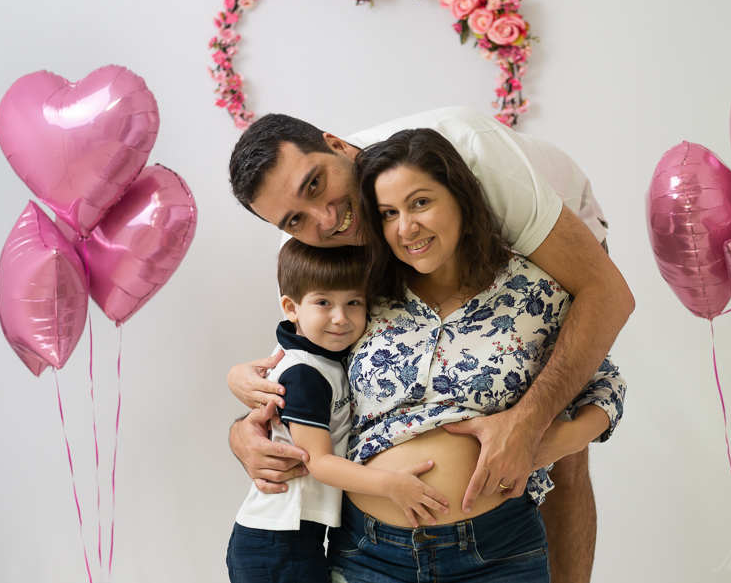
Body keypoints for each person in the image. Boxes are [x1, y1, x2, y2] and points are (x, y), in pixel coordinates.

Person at [228, 107, 634, 581]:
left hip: (556, 218)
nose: (326, 219)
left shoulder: (479, 161)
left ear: (337, 144)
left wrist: (533, 426)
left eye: (316, 184)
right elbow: (307, 371)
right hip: (373, 550)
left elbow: (606, 297)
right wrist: (244, 429)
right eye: (296, 218)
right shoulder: (325, 251)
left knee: (559, 451)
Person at [228, 240, 451, 583]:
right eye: (323, 302)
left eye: (353, 303)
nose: (340, 318)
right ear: (291, 307)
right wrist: (391, 485)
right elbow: (317, 461)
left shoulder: (323, 358)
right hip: (278, 540)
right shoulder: (304, 373)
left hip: (297, 535)